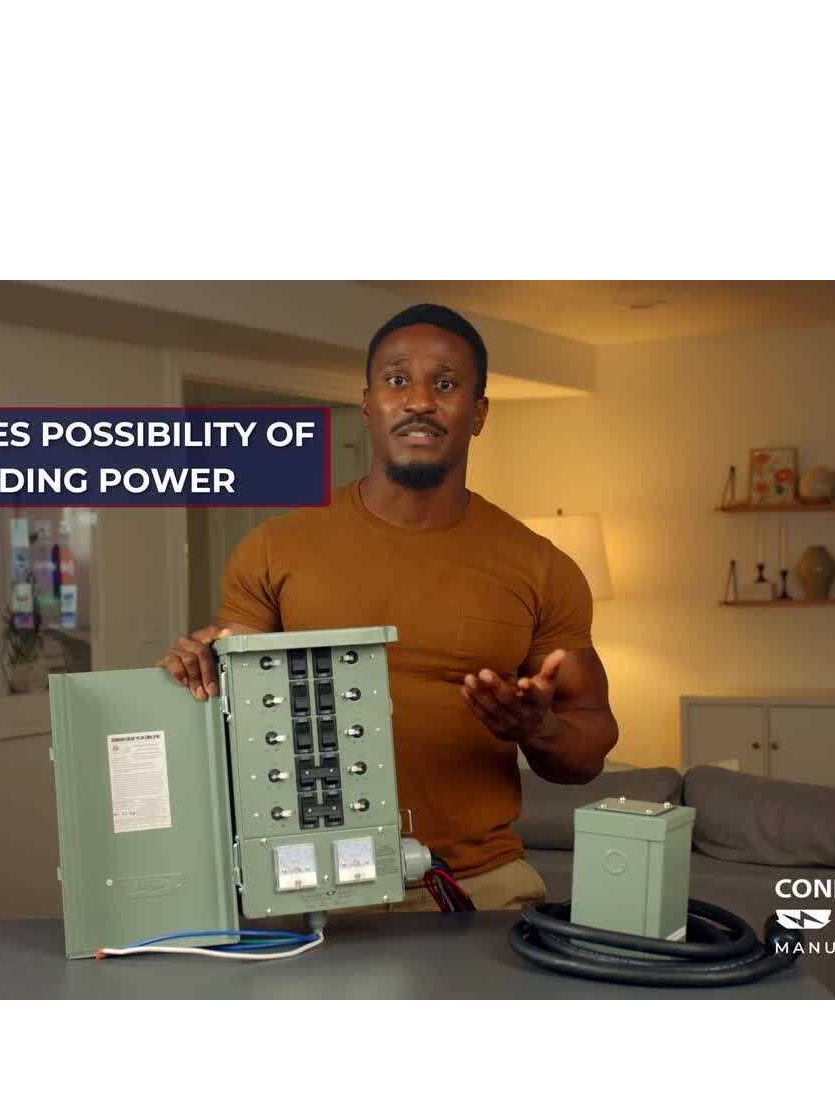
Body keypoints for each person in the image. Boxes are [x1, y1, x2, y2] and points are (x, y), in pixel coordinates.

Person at [159, 302, 618, 909]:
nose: (419, 400)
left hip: (476, 885)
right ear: (368, 405)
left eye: (445, 384)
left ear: (479, 414)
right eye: (397, 380)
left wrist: (540, 728)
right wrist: (198, 670)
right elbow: (231, 701)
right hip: (307, 886)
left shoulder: (542, 567)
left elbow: (590, 747)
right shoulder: (274, 548)